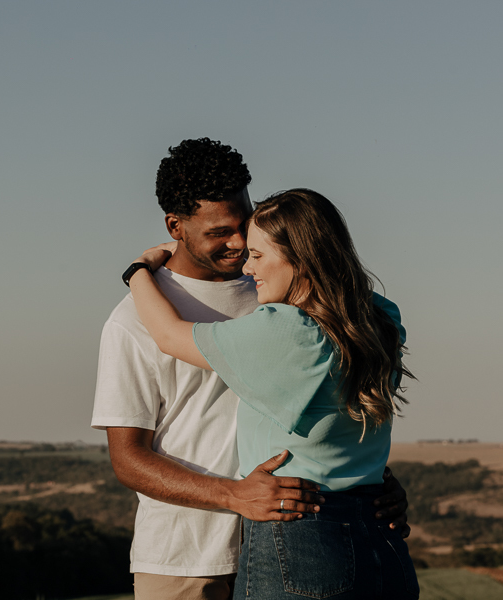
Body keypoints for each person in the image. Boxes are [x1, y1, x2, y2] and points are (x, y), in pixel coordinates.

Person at [91, 138, 409, 600]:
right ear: (175, 226)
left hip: (295, 539)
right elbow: (128, 460)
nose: (240, 245)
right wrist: (233, 495)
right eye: (220, 231)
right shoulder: (132, 321)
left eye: (245, 225)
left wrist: (368, 482)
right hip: (187, 559)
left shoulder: (279, 292)